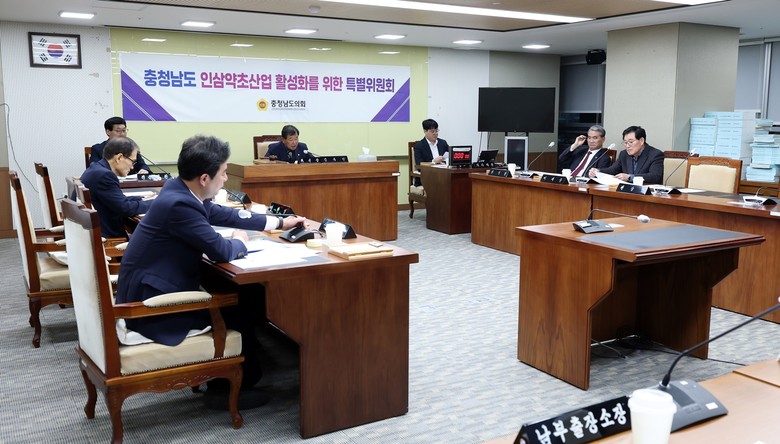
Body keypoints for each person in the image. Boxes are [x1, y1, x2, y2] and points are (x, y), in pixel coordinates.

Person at [116, 135, 306, 406]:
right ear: (205, 178)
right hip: (154, 307)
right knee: (240, 303)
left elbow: (221, 214)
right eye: (224, 173)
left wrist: (278, 222)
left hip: (152, 288)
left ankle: (241, 368)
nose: (226, 179)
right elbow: (221, 250)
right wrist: (240, 241)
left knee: (243, 295)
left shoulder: (178, 189)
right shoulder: (180, 204)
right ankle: (227, 389)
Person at [79, 137, 154, 238]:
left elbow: (116, 200)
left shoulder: (96, 168)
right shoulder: (105, 176)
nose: (132, 167)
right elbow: (126, 208)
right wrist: (157, 203)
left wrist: (141, 198)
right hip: (108, 237)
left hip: (95, 231)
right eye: (132, 161)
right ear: (119, 158)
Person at [589, 125, 664, 184]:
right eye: (625, 142)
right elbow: (613, 170)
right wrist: (598, 171)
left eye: (631, 142)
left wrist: (630, 177)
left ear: (641, 140)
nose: (627, 146)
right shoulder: (624, 154)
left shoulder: (655, 154)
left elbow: (655, 176)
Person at [412, 119, 450, 186]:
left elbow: (450, 156)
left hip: (443, 175)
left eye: (436, 131)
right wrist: (433, 162)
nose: (435, 133)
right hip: (428, 177)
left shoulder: (443, 143)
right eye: (432, 131)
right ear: (425, 131)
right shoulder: (419, 146)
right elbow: (419, 165)